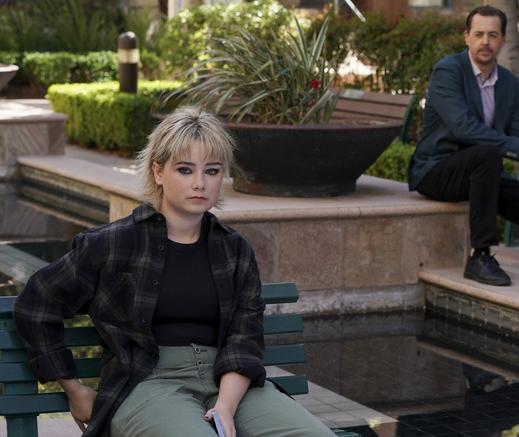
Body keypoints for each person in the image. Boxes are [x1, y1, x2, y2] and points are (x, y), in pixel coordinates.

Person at [12, 106, 335, 437]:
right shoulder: (113, 244)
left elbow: (244, 338)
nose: (200, 183)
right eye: (185, 169)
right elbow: (37, 302)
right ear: (158, 171)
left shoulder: (234, 249)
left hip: (228, 383)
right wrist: (74, 389)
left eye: (212, 171)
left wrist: (225, 406)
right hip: (147, 383)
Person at [408, 5, 519, 289]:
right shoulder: (448, 71)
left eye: (492, 35)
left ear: (502, 40)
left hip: (483, 175)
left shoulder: (508, 83)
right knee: (488, 154)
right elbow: (464, 127)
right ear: (466, 37)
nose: (485, 41)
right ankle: (481, 256)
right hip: (437, 170)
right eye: (478, 34)